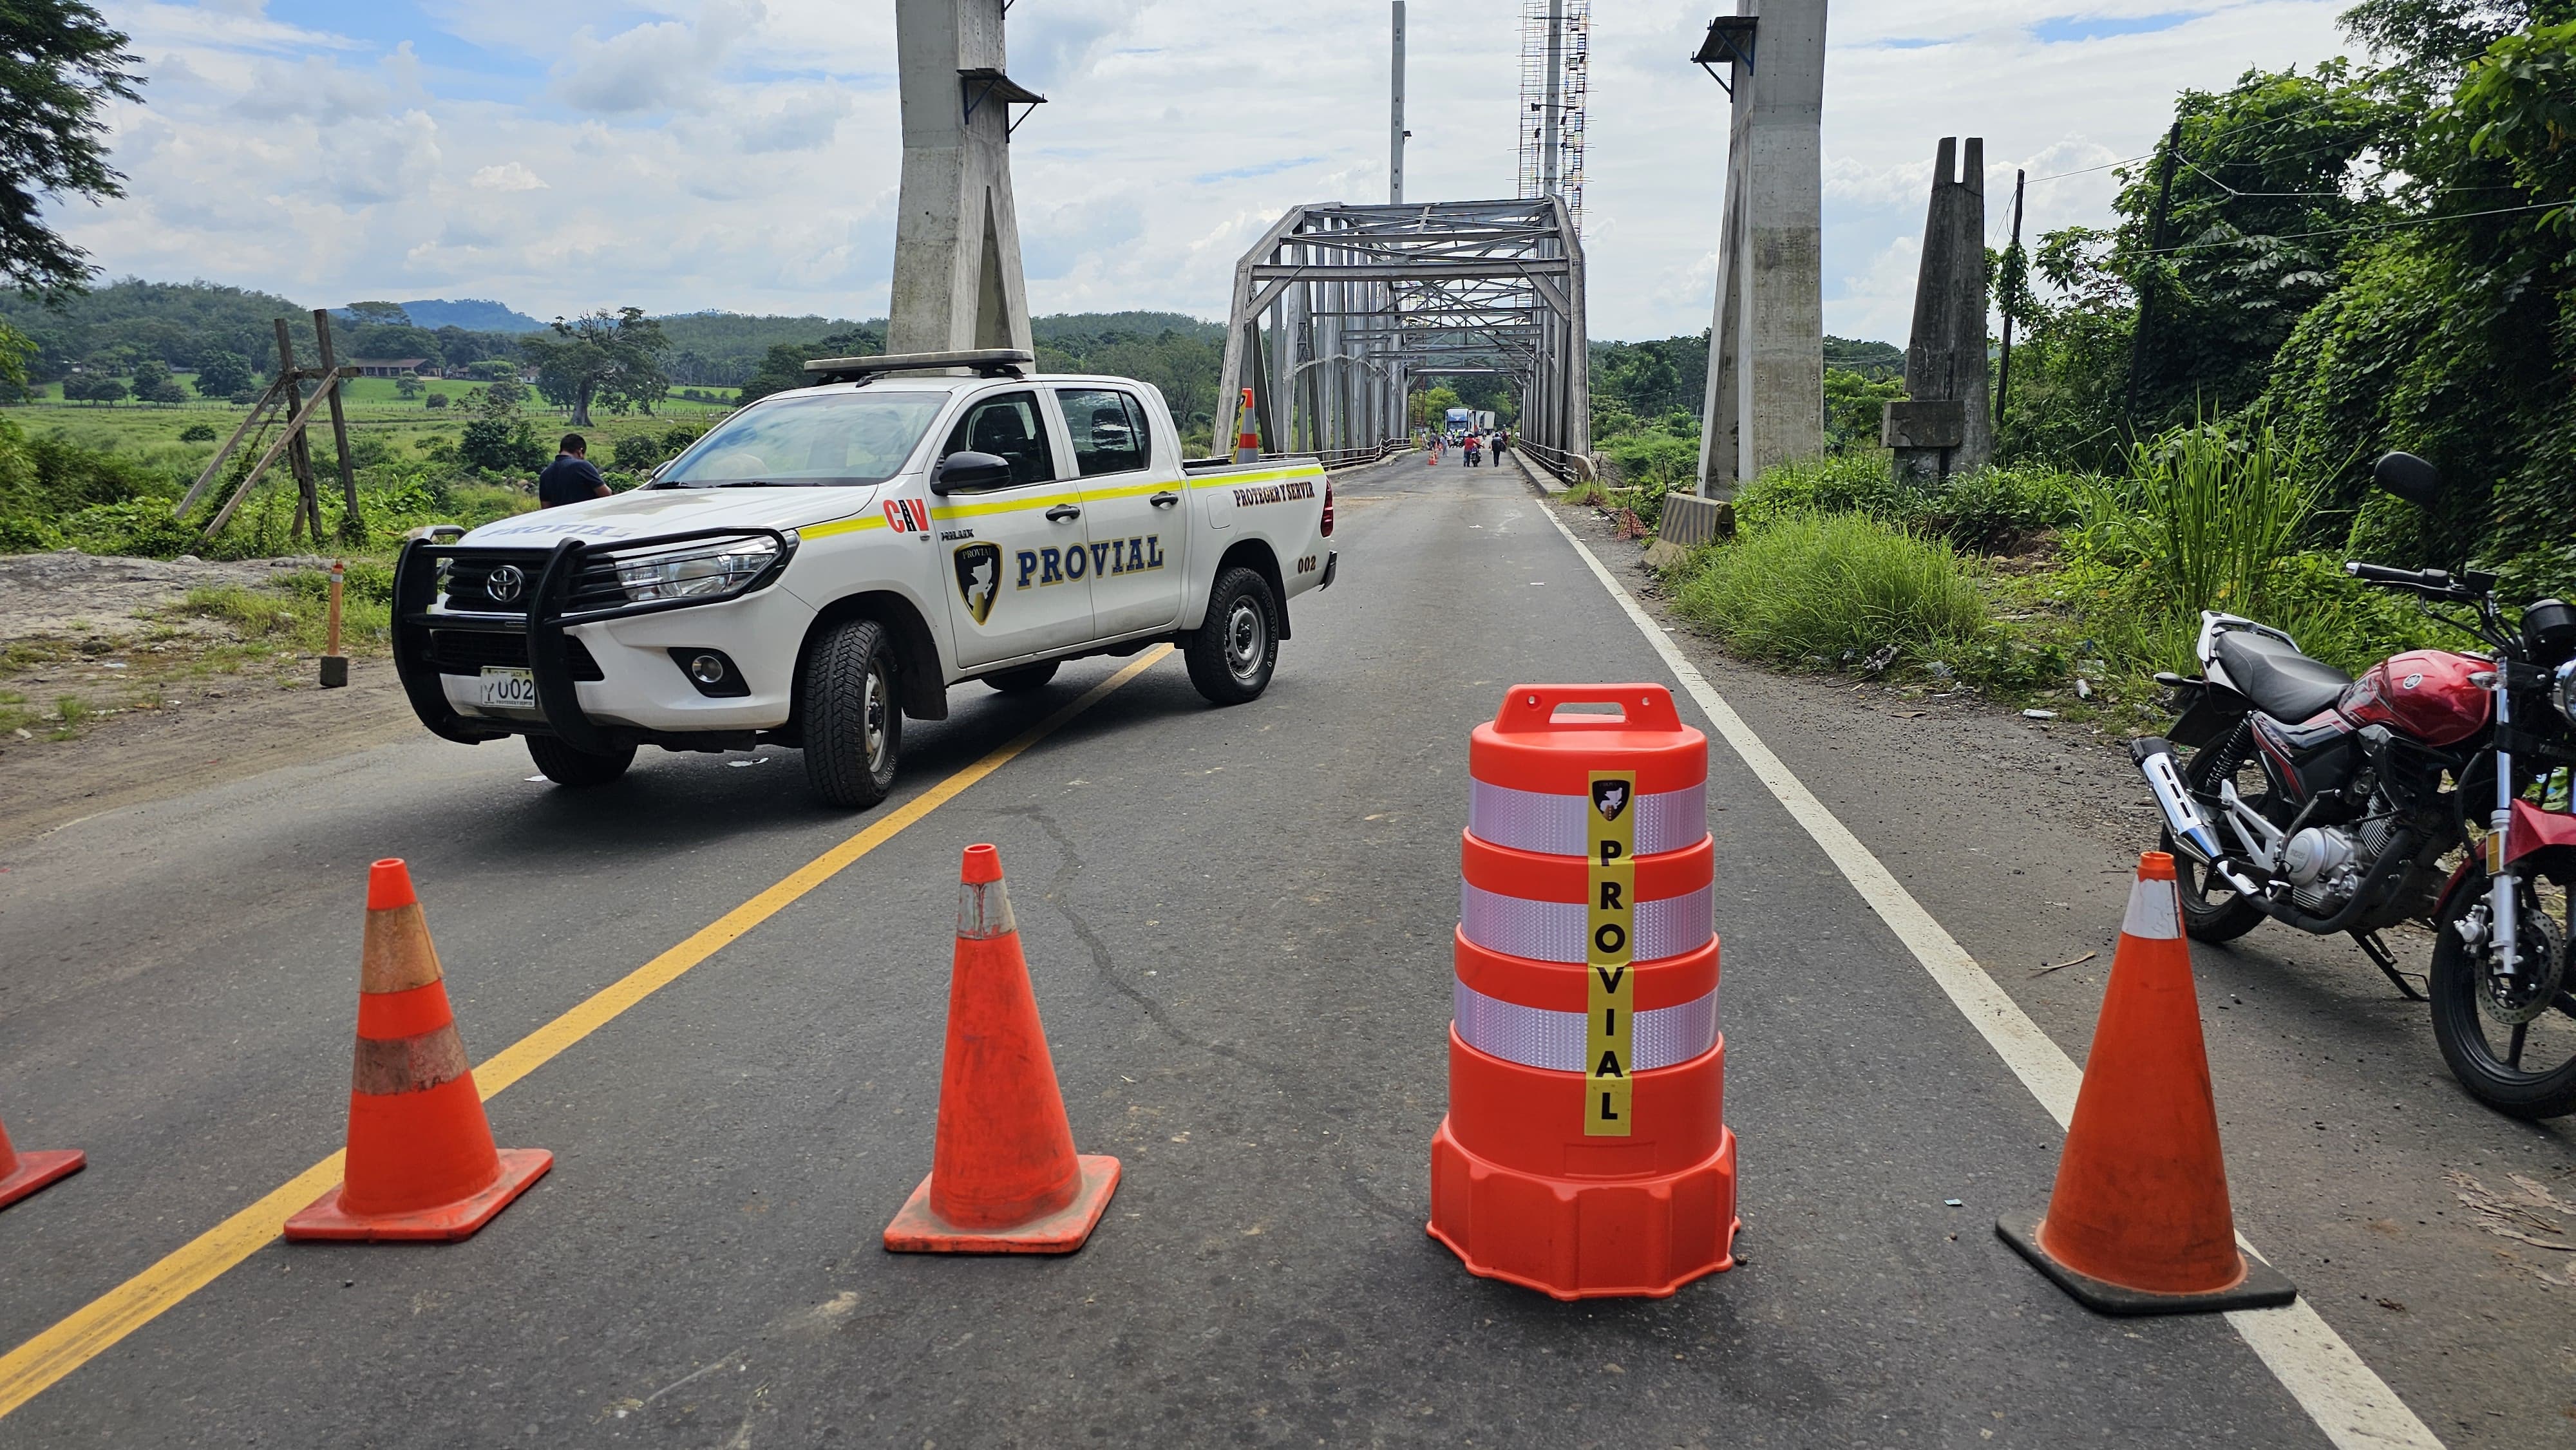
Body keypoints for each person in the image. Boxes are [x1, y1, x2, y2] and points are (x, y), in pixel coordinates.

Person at [536, 433, 611, 507]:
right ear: (580, 452)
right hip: (584, 517)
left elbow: (546, 507)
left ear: (560, 451)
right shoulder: (582, 466)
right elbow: (606, 494)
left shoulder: (545, 474)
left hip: (561, 518)